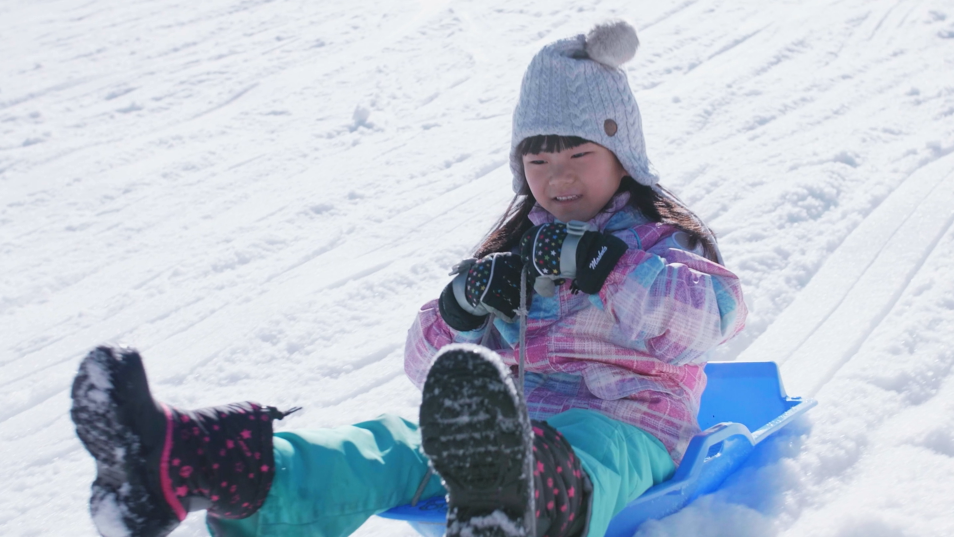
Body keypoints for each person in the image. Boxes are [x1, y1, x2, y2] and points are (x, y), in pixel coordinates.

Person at [69, 20, 746, 537]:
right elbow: (426, 367)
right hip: (498, 429)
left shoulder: (658, 241)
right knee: (394, 441)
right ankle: (194, 463)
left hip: (624, 424)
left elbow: (711, 320)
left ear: (622, 155)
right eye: (538, 160)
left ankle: (523, 502)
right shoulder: (518, 248)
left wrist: (606, 267)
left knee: (597, 453)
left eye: (578, 152)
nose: (558, 175)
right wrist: (458, 306)